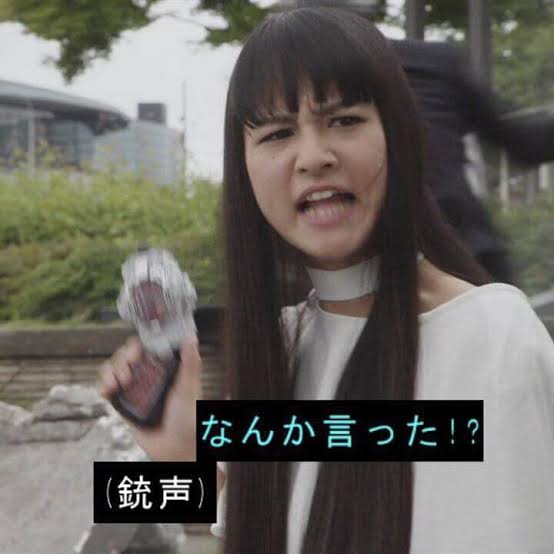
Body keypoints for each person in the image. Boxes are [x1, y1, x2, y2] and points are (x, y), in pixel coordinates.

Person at [98, 7, 554, 554]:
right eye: (277, 133)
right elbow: (274, 518)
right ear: (243, 170)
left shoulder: (493, 336)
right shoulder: (285, 341)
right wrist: (181, 454)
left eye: (344, 120)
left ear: (401, 136)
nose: (313, 158)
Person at [391, 38, 554, 285]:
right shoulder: (431, 60)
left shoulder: (338, 67)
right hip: (467, 246)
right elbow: (523, 143)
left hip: (390, 262)